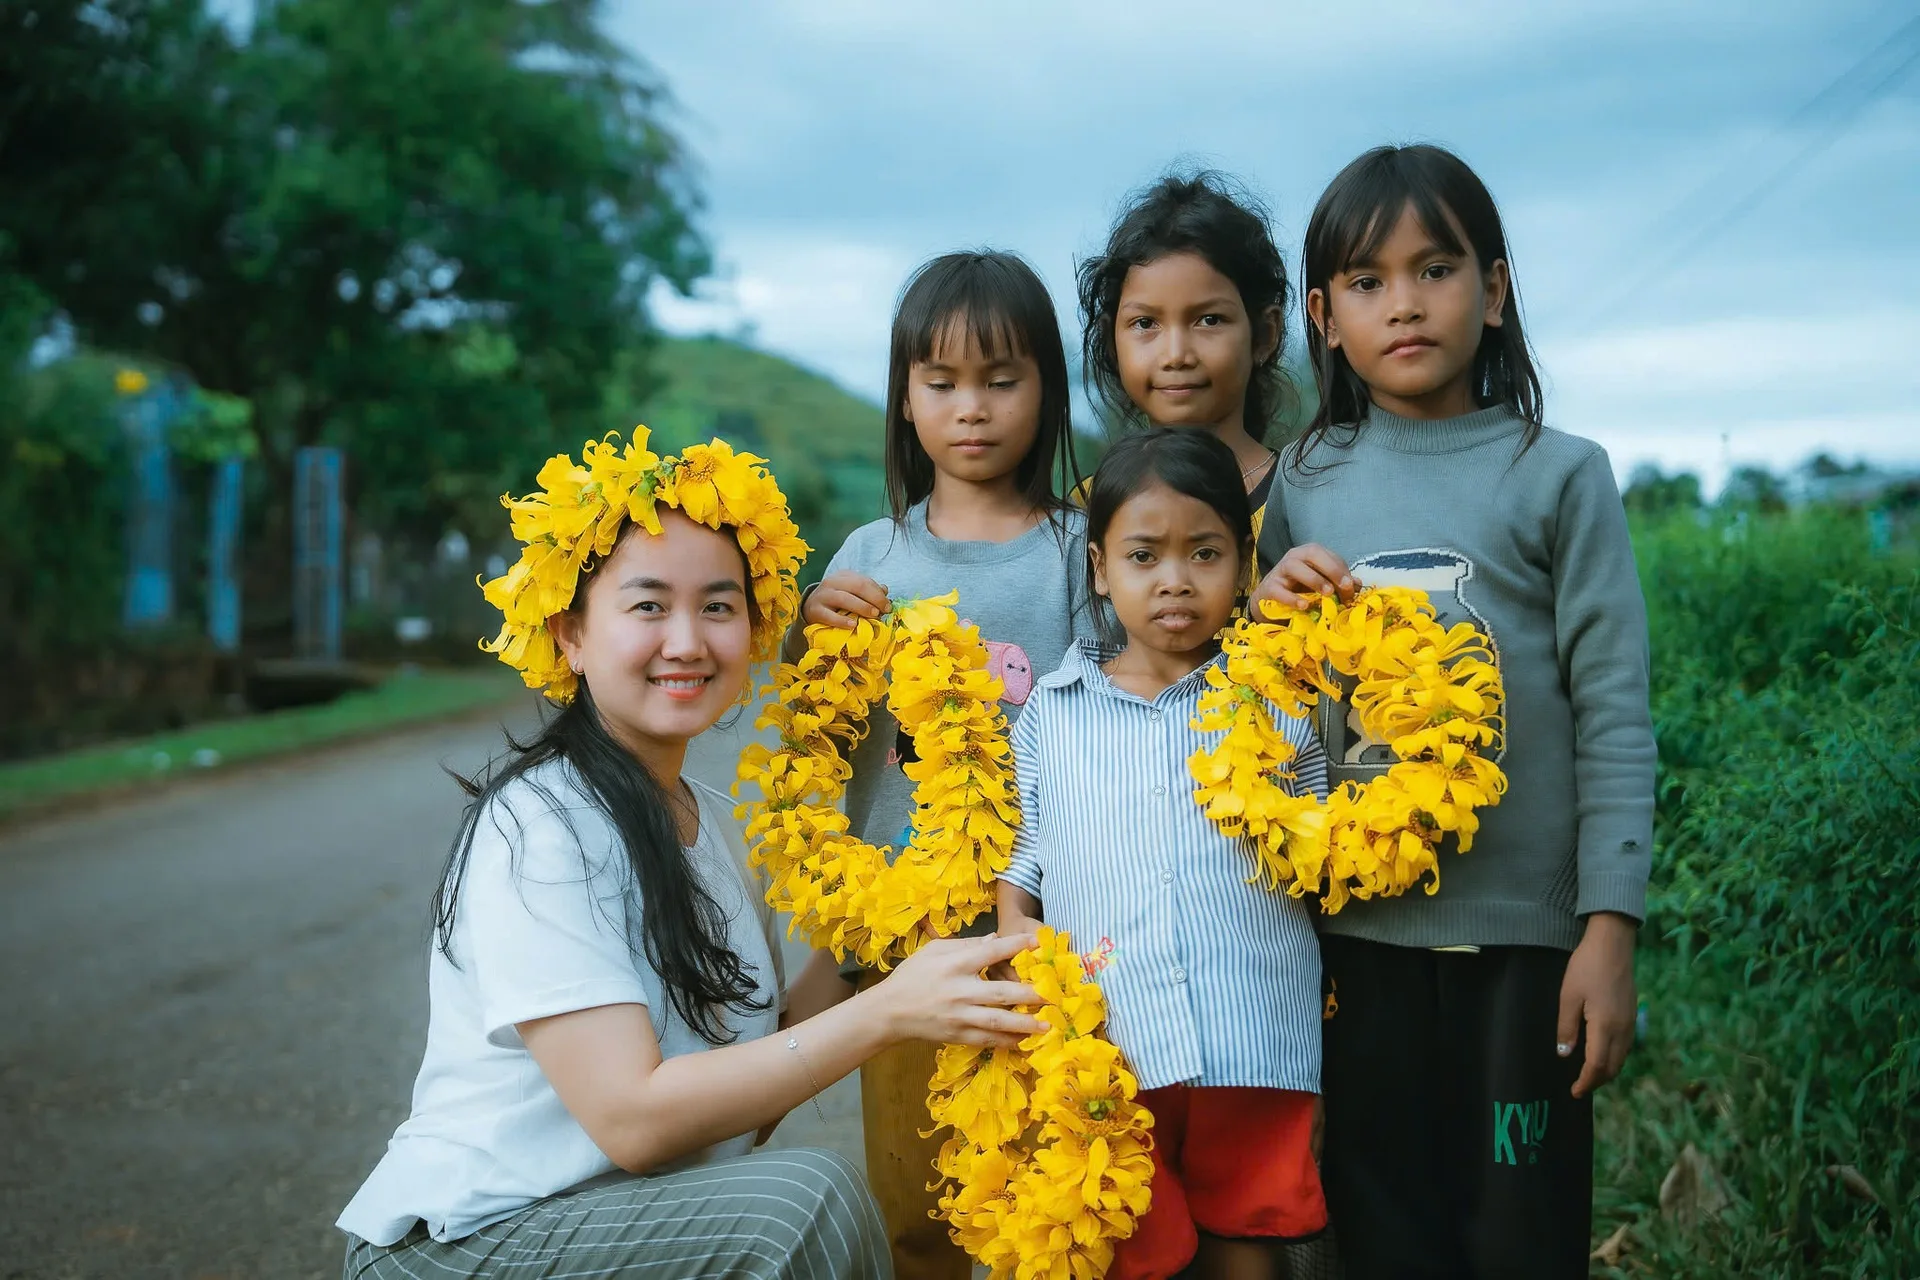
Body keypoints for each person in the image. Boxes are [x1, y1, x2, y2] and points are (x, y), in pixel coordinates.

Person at [336, 434, 1046, 1280]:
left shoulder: (707, 817)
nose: (688, 642)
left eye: (718, 606)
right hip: (472, 1244)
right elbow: (635, 1121)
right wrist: (887, 1016)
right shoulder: (541, 826)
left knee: (792, 1193)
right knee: (804, 1200)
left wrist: (904, 937)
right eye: (647, 607)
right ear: (568, 635)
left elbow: (766, 1051)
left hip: (618, 1222)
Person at [1251, 144, 1656, 1279]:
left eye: (1435, 268)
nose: (1407, 303)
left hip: (1526, 947)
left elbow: (1613, 706)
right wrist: (1266, 604)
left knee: (1518, 1234)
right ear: (1324, 316)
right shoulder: (1304, 478)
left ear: (1497, 285)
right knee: (1383, 1233)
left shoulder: (1560, 474)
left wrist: (1608, 928)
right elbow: (1261, 698)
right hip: (1357, 943)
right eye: (1369, 283)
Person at [794, 248, 1091, 1278]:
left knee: (1052, 1201)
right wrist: (806, 629)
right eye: (943, 381)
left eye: (1002, 379)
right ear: (905, 397)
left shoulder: (1078, 552)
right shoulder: (868, 558)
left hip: (1051, 928)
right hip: (907, 946)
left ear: (1045, 389)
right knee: (918, 1210)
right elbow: (820, 732)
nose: (973, 407)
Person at [997, 428, 1329, 1280]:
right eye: (1144, 555)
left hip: (1251, 1028)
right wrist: (1017, 945)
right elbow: (1024, 857)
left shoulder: (1280, 701)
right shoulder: (1055, 713)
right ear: (1102, 570)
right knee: (1131, 1245)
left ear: (1244, 562)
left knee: (1247, 1234)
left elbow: (1327, 846)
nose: (1175, 580)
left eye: (1204, 553)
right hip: (1113, 1036)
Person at [1077, 171, 1295, 588]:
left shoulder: (1303, 495)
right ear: (1111, 342)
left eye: (1208, 319)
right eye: (1145, 323)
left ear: (1265, 334)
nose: (1176, 354)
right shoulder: (1086, 510)